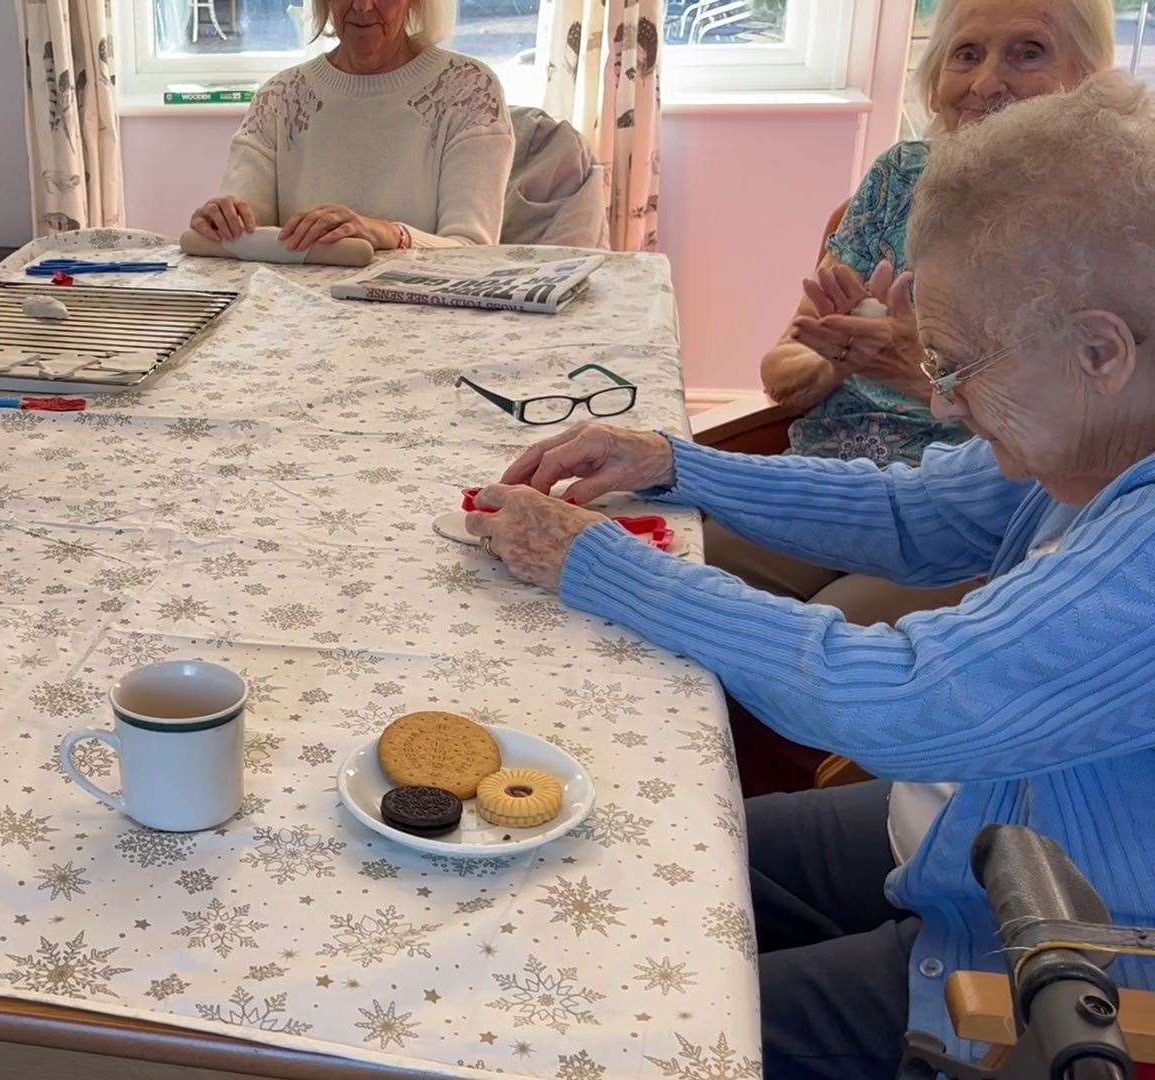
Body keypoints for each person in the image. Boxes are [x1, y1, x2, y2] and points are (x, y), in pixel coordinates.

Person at [462, 72, 1155, 1077]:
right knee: (635, 853)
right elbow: (911, 512)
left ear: (1101, 352)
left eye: (958, 367)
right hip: (984, 822)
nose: (947, 405)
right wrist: (673, 461)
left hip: (1033, 968)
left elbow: (893, 694)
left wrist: (595, 562)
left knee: (616, 1039)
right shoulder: (1105, 432)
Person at [707, 0, 1115, 630]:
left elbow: (1086, 443)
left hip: (971, 515)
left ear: (1091, 77)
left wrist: (919, 371)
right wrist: (832, 362)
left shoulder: (1115, 222)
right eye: (967, 55)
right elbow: (784, 365)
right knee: (678, 559)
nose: (986, 83)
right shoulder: (902, 179)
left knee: (828, 630)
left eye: (1027, 53)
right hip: (830, 478)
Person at [188, 0, 514, 254]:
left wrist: (389, 234)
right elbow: (244, 232)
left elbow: (473, 253)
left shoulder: (469, 89)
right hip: (297, 321)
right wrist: (223, 223)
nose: (362, 6)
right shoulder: (279, 97)